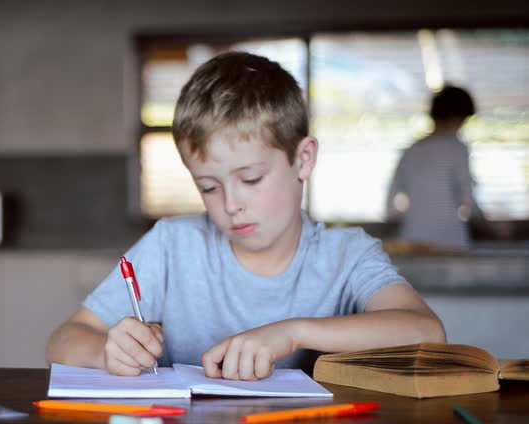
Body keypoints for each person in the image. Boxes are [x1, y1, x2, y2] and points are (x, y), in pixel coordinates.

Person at [45, 51, 446, 381]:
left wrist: (293, 333)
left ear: (303, 159)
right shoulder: (172, 245)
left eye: (251, 178)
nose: (232, 204)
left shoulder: (347, 254)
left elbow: (428, 334)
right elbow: (63, 341)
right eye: (209, 187)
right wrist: (107, 351)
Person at [386, 85, 481, 250]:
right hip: (449, 238)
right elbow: (468, 198)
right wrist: (484, 220)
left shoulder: (411, 150)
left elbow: (391, 203)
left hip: (412, 238)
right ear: (458, 118)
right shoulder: (456, 148)